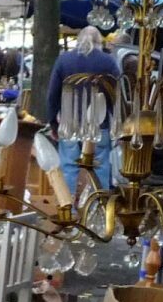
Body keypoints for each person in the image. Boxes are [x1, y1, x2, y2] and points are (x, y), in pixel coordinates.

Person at [47, 26, 121, 191]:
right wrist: (117, 123)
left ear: (78, 40)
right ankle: (98, 207)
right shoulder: (108, 62)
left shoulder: (64, 60)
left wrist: (53, 122)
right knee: (100, 167)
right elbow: (117, 96)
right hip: (99, 124)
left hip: (69, 124)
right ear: (99, 41)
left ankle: (68, 209)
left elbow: (53, 94)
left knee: (68, 167)